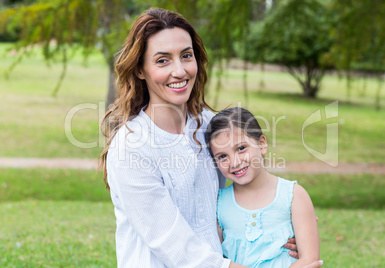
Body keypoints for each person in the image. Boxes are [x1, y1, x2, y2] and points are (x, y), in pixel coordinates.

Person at [99, 7, 323, 268]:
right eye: (163, 60)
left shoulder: (208, 125)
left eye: (186, 55)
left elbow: (243, 189)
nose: (180, 71)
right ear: (140, 70)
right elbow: (172, 244)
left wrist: (285, 224)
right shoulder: (131, 147)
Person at [204, 107, 321, 268]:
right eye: (222, 156)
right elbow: (217, 259)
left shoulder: (293, 195)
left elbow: (310, 259)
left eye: (241, 148)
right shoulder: (219, 204)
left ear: (262, 144)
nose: (235, 162)